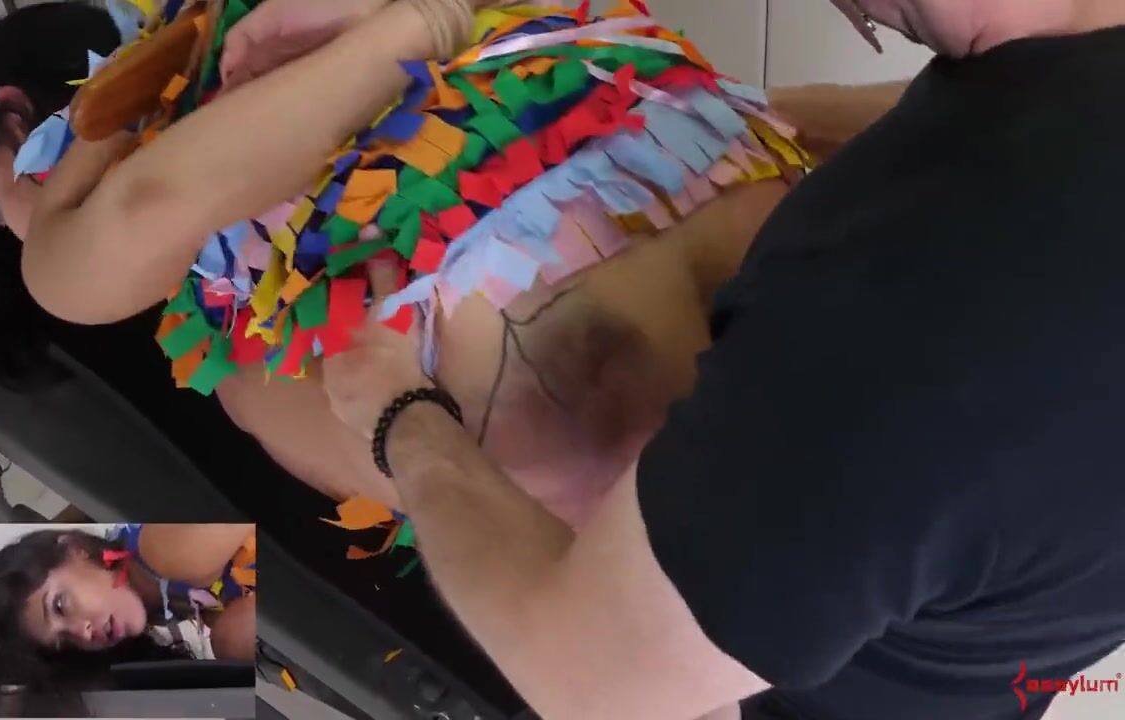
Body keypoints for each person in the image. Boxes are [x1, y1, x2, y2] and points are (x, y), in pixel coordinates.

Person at [320, 0, 1125, 719]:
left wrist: (400, 415)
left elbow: (594, 681)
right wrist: (739, 114)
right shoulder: (1061, 72)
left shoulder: (908, 359)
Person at [0, 0, 810, 529]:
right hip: (710, 166)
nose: (14, 232)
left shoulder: (97, 223)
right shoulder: (270, 53)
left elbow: (124, 223)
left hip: (550, 369)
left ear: (19, 115)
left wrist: (88, 153)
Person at [0, 524, 255, 702]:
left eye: (60, 606)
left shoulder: (166, 553)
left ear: (76, 550)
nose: (82, 633)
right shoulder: (169, 603)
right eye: (63, 641)